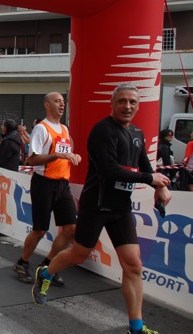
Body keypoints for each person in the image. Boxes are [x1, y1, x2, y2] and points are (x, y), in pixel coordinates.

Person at [32, 85, 172, 334]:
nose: (127, 106)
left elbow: (145, 167)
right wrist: (151, 181)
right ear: (113, 103)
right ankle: (46, 272)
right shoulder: (102, 131)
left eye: (132, 102)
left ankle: (136, 328)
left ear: (138, 105)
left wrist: (159, 187)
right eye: (122, 101)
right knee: (78, 255)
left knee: (133, 266)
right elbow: (110, 170)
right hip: (96, 206)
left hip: (121, 208)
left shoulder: (137, 133)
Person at [13, 92, 81, 287]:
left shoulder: (65, 129)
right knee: (40, 230)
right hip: (44, 183)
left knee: (70, 229)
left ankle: (48, 264)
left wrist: (75, 156)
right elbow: (32, 159)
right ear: (47, 105)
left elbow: (67, 154)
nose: (62, 104)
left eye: (63, 101)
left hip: (63, 184)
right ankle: (22, 263)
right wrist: (57, 155)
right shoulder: (41, 129)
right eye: (57, 101)